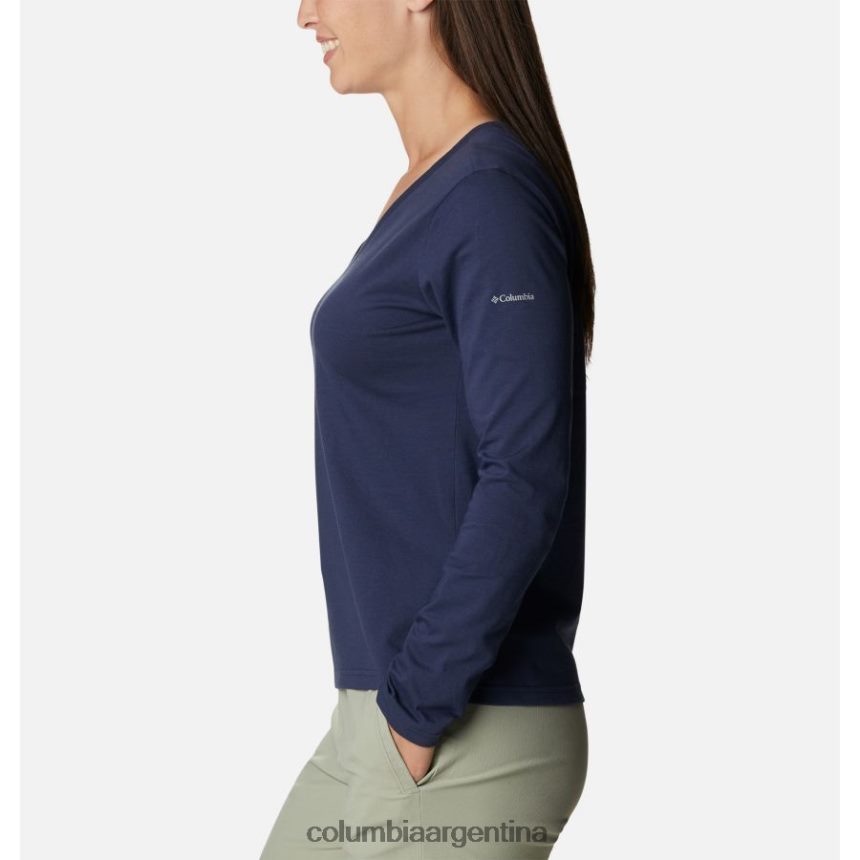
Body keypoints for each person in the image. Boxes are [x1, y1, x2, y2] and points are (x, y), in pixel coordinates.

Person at [260, 1, 596, 857]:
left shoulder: (490, 196)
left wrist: (416, 710)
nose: (304, 14)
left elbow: (525, 473)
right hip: (384, 718)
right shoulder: (438, 185)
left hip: (460, 727)